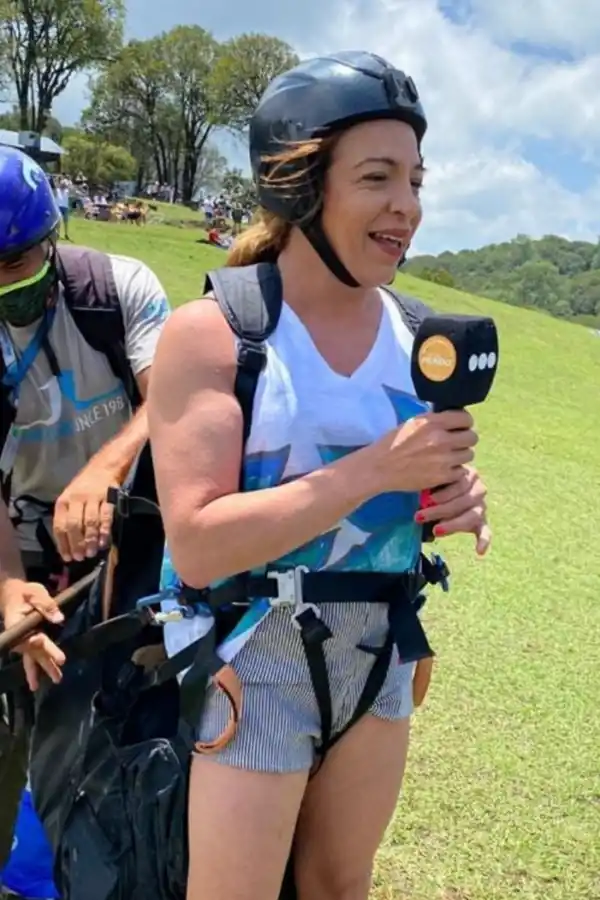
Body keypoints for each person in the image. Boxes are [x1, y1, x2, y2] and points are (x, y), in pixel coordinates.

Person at [148, 51, 490, 900]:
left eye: (415, 178)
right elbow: (195, 547)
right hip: (253, 654)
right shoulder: (217, 331)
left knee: (342, 888)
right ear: (300, 186)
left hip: (379, 648)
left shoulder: (418, 335)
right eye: (377, 177)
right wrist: (377, 468)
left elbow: (409, 497)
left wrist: (452, 500)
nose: (405, 206)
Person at [0, 144, 170, 898]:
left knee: (119, 713)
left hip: (130, 544)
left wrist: (104, 471)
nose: (5, 282)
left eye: (17, 261)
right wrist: (9, 592)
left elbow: (178, 400)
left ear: (52, 240)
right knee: (22, 715)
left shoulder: (118, 290)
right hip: (22, 543)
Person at [52, 177, 70, 242]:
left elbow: (70, 189)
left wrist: (68, 183)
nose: (63, 185)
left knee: (66, 221)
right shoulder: (57, 190)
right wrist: (55, 180)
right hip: (58, 206)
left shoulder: (67, 191)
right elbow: (54, 186)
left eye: (64, 184)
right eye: (62, 184)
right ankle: (58, 234)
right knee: (58, 221)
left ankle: (66, 234)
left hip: (65, 207)